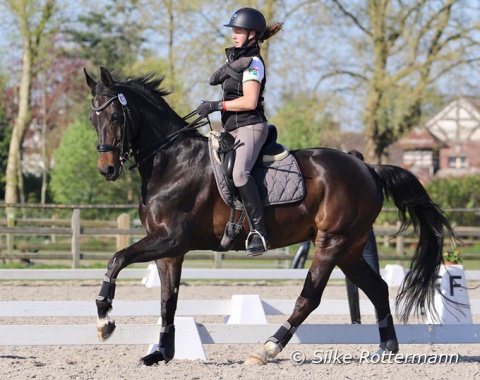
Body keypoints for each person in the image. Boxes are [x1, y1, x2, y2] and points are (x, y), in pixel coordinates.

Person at [196, 8, 283, 256]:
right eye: (233, 31)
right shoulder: (232, 61)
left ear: (252, 35)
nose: (233, 36)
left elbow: (249, 102)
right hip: (230, 129)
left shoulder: (254, 64)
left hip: (250, 126)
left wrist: (215, 106)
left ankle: (259, 232)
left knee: (240, 174)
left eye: (238, 31)